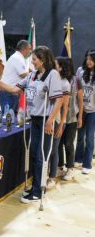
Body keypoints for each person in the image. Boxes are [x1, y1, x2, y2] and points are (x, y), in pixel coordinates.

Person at [0, 46, 63, 203]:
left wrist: (51, 120)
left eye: (34, 59)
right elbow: (14, 88)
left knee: (41, 155)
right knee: (35, 154)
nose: (32, 62)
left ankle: (38, 191)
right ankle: (35, 186)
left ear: (42, 60)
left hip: (45, 120)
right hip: (34, 120)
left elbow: (59, 99)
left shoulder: (52, 75)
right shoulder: (32, 76)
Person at [47, 57, 71, 188]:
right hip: (49, 118)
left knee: (54, 149)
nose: (52, 65)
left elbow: (65, 106)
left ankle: (51, 178)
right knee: (47, 149)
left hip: (58, 120)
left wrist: (61, 124)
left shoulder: (65, 84)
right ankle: (47, 173)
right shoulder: (51, 79)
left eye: (55, 64)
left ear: (60, 67)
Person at [57, 57, 83, 181]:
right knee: (58, 144)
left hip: (72, 117)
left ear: (63, 66)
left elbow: (80, 100)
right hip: (58, 117)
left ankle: (70, 168)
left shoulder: (76, 80)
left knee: (68, 143)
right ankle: (60, 167)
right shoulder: (57, 79)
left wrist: (80, 117)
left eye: (57, 64)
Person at [75, 50, 95, 174]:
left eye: (92, 60)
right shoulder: (80, 71)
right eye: (88, 59)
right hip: (81, 109)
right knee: (80, 136)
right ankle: (78, 158)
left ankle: (87, 163)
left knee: (90, 137)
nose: (89, 61)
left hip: (93, 111)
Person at [0, 40, 31, 113]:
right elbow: (24, 75)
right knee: (8, 118)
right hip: (7, 93)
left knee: (11, 119)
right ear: (25, 49)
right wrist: (38, 76)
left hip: (11, 93)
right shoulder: (17, 58)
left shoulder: (19, 58)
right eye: (29, 49)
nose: (30, 51)